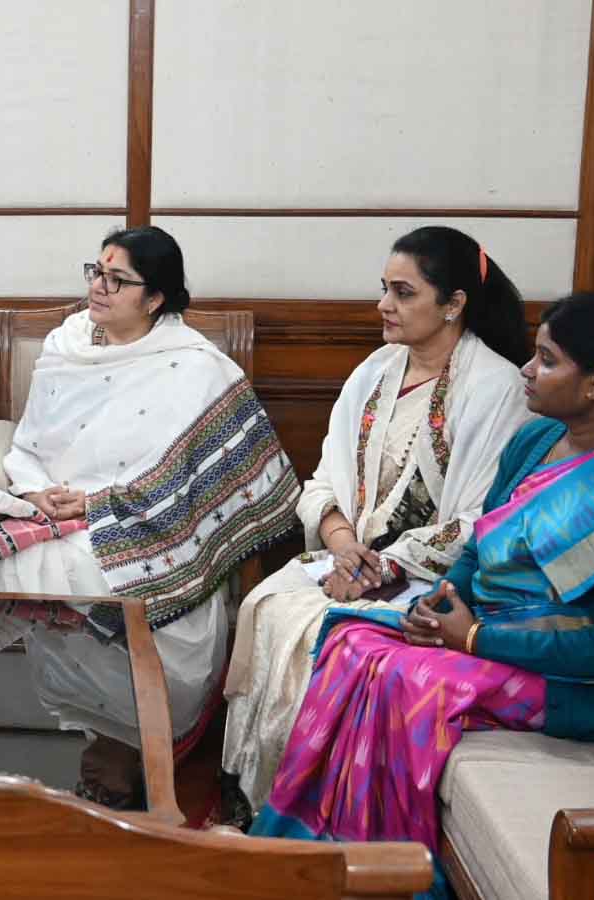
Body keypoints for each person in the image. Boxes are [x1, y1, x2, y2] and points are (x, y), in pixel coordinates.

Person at [252, 292, 594, 899]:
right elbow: (478, 546)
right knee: (352, 641)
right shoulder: (535, 442)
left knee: (400, 679)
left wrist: (471, 638)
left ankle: (393, 877)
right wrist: (439, 601)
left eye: (546, 359)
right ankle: (313, 854)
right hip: (495, 629)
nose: (527, 369)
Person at [0, 226, 300, 808]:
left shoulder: (197, 366)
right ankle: (104, 731)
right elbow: (31, 444)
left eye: (117, 280)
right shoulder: (65, 345)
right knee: (34, 555)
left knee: (90, 569)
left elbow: (201, 481)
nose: (98, 288)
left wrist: (102, 506)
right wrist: (38, 493)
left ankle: (138, 737)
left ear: (155, 299)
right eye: (95, 273)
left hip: (148, 521)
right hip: (57, 506)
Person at [219, 226, 533, 824]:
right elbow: (321, 485)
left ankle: (327, 817)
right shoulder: (374, 372)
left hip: (435, 580)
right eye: (384, 289)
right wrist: (343, 546)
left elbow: (480, 521)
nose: (383, 305)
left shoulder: (495, 387)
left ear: (454, 303)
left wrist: (382, 566)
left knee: (321, 636)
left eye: (403, 292)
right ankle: (263, 801)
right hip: (350, 559)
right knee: (267, 604)